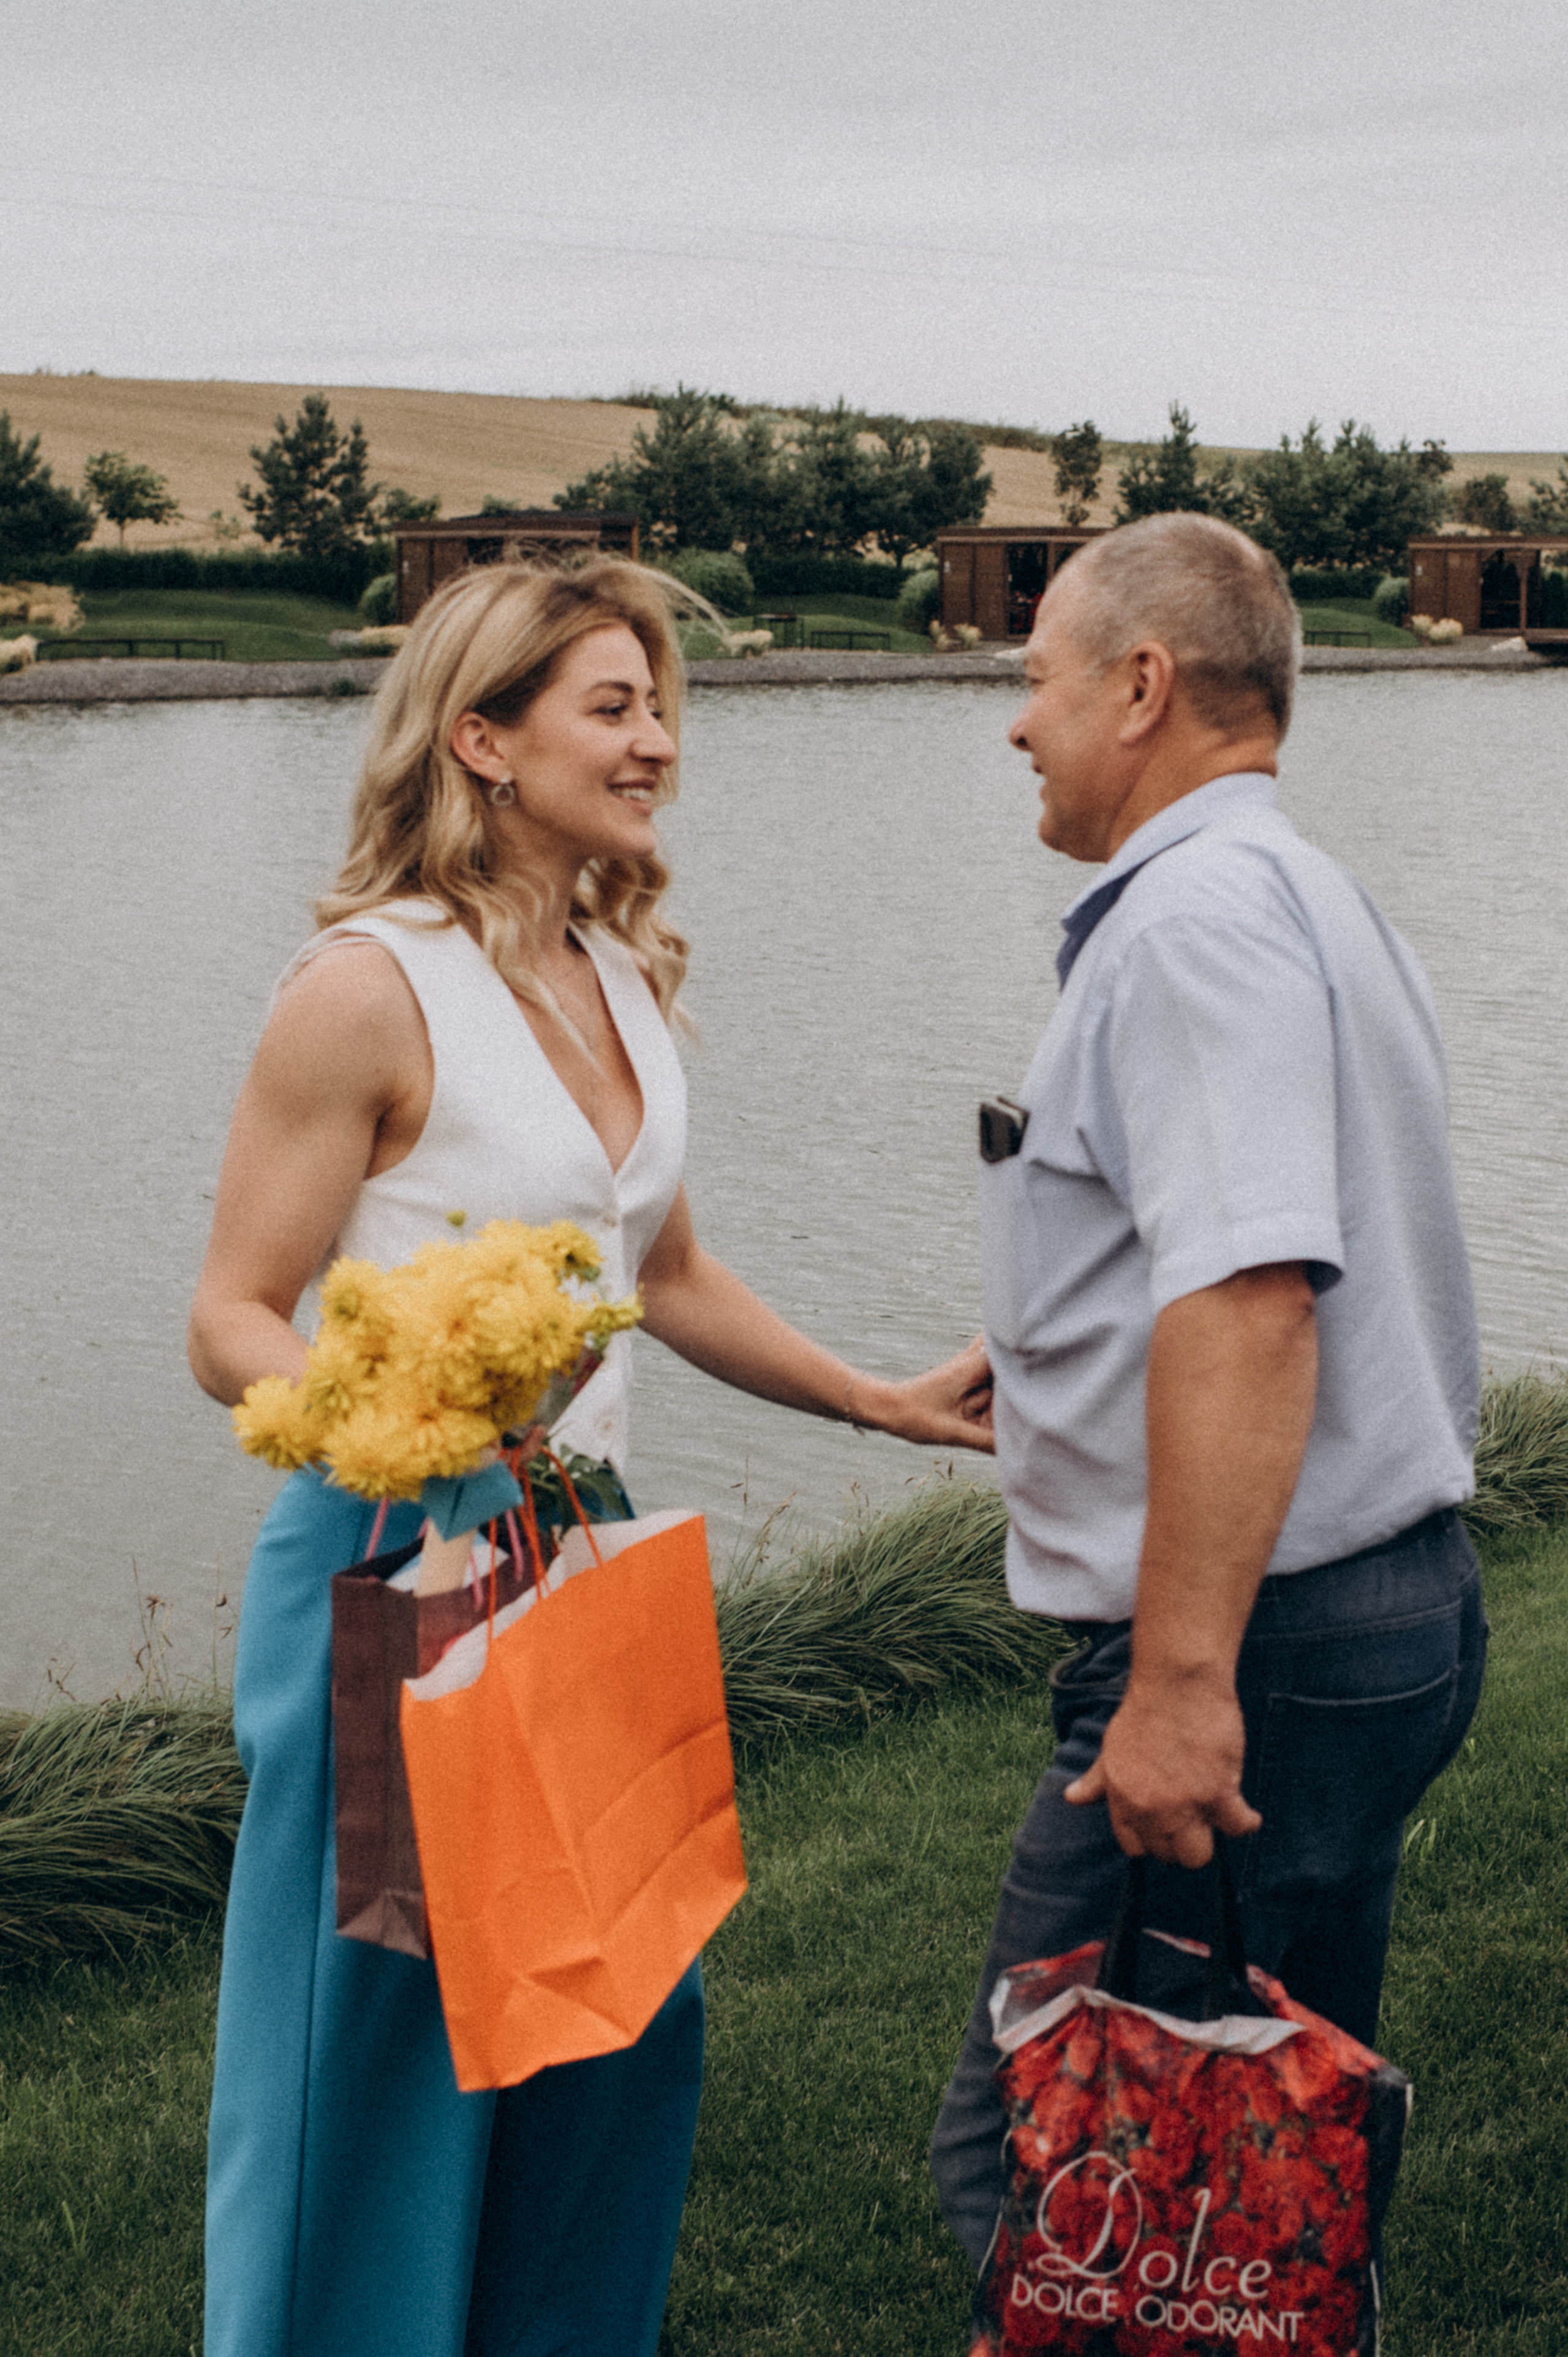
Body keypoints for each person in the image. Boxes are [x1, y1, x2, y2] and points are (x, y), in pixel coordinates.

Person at [189, 554, 993, 2357]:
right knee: (383, 2060)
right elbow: (232, 1316)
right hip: (402, 1570)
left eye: (660, 711)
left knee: (608, 2019)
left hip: (582, 1545)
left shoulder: (616, 974)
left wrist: (880, 1401)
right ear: (483, 738)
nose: (656, 750)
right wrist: (410, 1414)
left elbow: (670, 1272)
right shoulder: (363, 991)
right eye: (613, 709)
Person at [929, 512, 1487, 2273]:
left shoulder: (1188, 926)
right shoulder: (1304, 891)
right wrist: (1055, 1350)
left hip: (1260, 1644)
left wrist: (1176, 1688)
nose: (1018, 724)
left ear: (1142, 687)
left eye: (1036, 682)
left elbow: (1253, 1304)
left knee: (1066, 2184)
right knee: (1255, 2183)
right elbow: (1242, 1244)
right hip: (1358, 1604)